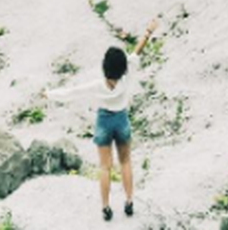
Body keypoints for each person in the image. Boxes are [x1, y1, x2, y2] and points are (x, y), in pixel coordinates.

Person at [44, 17, 159, 221]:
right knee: (125, 162)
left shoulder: (97, 85)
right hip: (122, 119)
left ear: (104, 67)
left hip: (104, 122)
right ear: (123, 67)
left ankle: (106, 207)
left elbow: (71, 92)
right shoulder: (128, 74)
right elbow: (137, 51)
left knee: (104, 167)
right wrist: (148, 32)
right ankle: (129, 201)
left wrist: (49, 94)